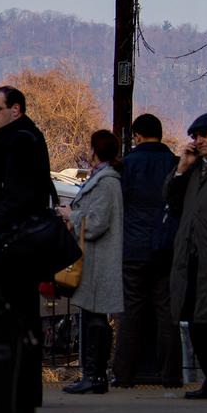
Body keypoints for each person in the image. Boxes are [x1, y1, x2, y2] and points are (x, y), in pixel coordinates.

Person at [114, 114, 181, 388]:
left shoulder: (127, 165)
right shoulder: (174, 164)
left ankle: (124, 375)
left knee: (130, 313)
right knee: (166, 312)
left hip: (133, 249)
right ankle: (171, 375)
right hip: (165, 247)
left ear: (137, 135)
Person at [0, 85, 55, 347]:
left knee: (14, 315)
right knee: (22, 316)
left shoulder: (18, 142)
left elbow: (15, 196)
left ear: (15, 110)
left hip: (12, 243)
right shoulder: (27, 138)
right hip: (22, 243)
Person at [166, 111, 207, 400]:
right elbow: (171, 199)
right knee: (196, 321)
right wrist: (181, 168)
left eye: (205, 135)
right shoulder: (195, 169)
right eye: (195, 136)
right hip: (192, 255)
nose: (199, 141)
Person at [61, 131, 125, 394]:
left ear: (95, 151)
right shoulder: (105, 180)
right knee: (91, 315)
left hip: (99, 259)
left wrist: (71, 216)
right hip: (95, 258)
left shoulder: (106, 182)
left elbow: (97, 222)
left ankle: (94, 374)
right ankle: (93, 374)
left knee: (94, 316)